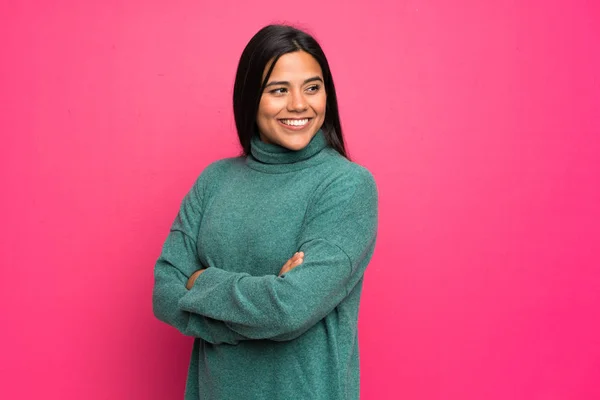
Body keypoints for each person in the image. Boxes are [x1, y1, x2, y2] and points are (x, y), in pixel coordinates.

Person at [152, 24, 378, 400]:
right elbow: (163, 292)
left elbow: (290, 309)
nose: (299, 105)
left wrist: (198, 282)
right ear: (250, 98)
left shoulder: (347, 186)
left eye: (312, 87)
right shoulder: (215, 180)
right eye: (278, 90)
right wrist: (267, 299)